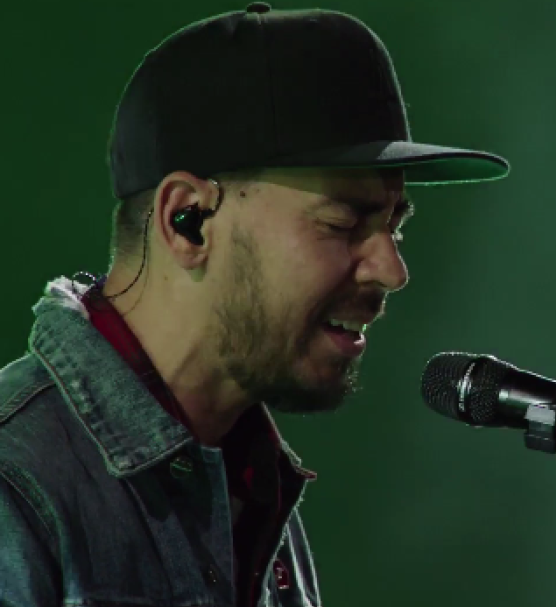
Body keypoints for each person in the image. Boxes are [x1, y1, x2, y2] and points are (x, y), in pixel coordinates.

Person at [0, 3, 508, 606]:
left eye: (394, 225)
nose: (392, 271)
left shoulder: (251, 484)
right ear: (187, 220)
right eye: (343, 222)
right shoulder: (16, 484)